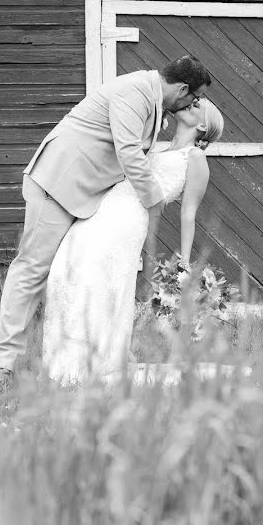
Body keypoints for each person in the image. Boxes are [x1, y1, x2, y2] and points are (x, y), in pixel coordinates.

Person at [0, 56, 212, 387]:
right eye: (193, 99)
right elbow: (129, 154)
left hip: (84, 192)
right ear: (180, 88)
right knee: (32, 269)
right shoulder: (133, 92)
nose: (193, 105)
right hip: (57, 182)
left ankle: (97, 352)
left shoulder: (152, 101)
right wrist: (154, 203)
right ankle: (2, 364)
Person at [41, 98, 224, 385]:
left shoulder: (195, 158)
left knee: (100, 279)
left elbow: (189, 213)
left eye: (196, 106)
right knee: (68, 269)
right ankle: (69, 359)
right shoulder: (161, 147)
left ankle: (91, 362)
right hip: (105, 207)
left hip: (127, 218)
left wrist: (185, 264)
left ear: (202, 124)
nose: (189, 104)